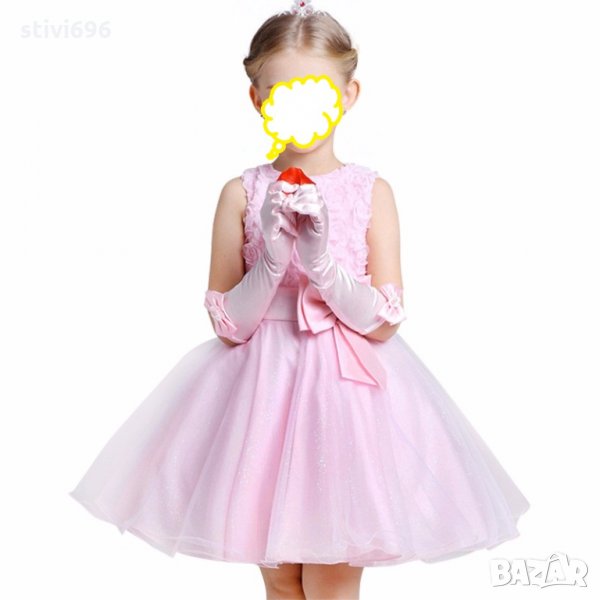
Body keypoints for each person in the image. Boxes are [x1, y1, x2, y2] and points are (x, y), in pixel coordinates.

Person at [69, 3, 530, 599]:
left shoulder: (371, 191)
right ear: (258, 99)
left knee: (333, 573)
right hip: (262, 393)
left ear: (349, 94)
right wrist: (271, 261)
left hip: (346, 399)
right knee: (282, 579)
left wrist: (321, 264)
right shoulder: (241, 193)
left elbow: (383, 321)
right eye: (282, 94)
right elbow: (229, 325)